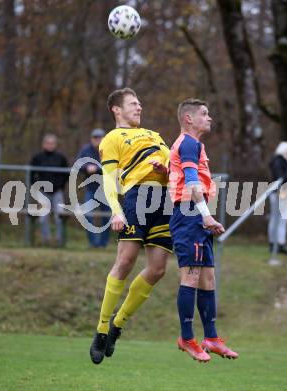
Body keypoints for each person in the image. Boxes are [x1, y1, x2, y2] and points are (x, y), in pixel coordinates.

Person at [90, 88, 172, 365]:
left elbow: (176, 171)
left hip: (165, 200)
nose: (139, 107)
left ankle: (117, 324)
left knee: (159, 269)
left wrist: (168, 172)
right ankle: (101, 329)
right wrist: (116, 211)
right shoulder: (113, 138)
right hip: (137, 197)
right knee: (125, 262)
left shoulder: (156, 136)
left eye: (140, 102)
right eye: (133, 104)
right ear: (117, 109)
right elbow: (109, 180)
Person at [169, 98, 237, 362]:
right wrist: (206, 216)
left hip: (194, 215)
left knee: (208, 278)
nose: (210, 118)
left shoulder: (190, 145)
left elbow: (180, 174)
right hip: (189, 216)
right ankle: (187, 338)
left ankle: (211, 337)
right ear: (189, 118)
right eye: (204, 114)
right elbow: (192, 184)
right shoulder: (189, 143)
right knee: (191, 278)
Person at [30, 134, 69, 247]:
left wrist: (61, 186)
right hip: (43, 192)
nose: (50, 145)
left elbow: (66, 174)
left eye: (52, 143)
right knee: (43, 219)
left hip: (57, 192)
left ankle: (58, 241)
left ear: (55, 145)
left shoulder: (61, 158)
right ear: (43, 144)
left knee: (59, 217)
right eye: (48, 143)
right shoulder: (37, 158)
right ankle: (46, 240)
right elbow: (31, 174)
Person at [76, 128, 111, 248]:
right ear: (91, 139)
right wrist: (87, 168)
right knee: (87, 215)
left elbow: (113, 166)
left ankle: (103, 243)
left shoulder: (109, 150)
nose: (97, 140)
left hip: (106, 190)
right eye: (95, 137)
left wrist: (97, 168)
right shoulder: (86, 150)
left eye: (100, 137)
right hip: (90, 189)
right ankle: (93, 243)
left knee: (108, 216)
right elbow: (78, 164)